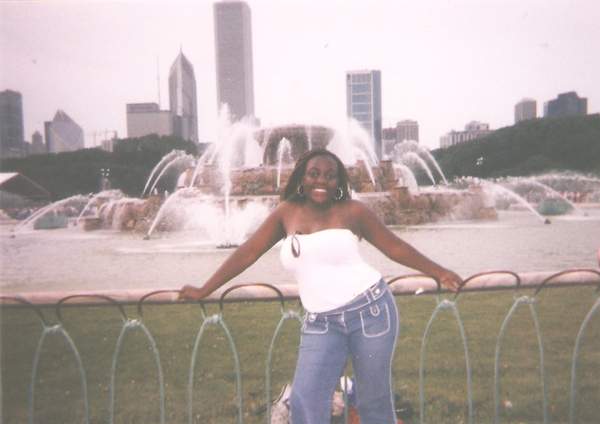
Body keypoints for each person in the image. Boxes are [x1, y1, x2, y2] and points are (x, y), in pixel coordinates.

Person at [180, 148, 462, 423]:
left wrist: (439, 272)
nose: (321, 181)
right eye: (314, 173)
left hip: (371, 312)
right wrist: (205, 289)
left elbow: (395, 247)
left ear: (338, 182)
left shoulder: (353, 211)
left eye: (330, 175)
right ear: (302, 178)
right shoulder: (286, 213)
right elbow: (248, 252)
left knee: (373, 403)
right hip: (321, 322)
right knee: (305, 400)